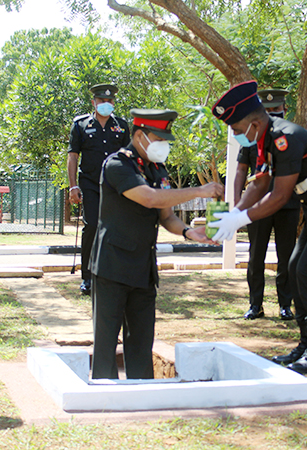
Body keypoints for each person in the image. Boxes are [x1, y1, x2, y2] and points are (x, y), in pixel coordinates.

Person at [209, 81, 307, 374]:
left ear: (254, 124)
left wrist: (240, 220)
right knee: (295, 268)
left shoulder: (285, 137)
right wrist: (233, 214)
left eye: (237, 130)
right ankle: (306, 343)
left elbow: (280, 196)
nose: (235, 135)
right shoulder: (264, 138)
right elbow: (261, 183)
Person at [91, 109, 224, 379]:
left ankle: (142, 391)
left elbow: (166, 215)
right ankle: (105, 397)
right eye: (158, 138)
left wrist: (188, 232)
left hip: (143, 267)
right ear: (139, 136)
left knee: (141, 341)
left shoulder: (157, 169)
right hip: (112, 266)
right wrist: (199, 190)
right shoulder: (117, 164)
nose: (163, 145)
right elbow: (150, 198)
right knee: (105, 343)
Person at [233, 88, 300, 321]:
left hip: (287, 203)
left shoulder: (291, 135)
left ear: (285, 109)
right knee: (256, 255)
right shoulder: (252, 136)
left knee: (287, 256)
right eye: (269, 111)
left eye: (277, 110)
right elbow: (241, 169)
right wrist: (236, 204)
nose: (273, 114)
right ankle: (255, 304)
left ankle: (285, 304)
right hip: (258, 204)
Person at [68, 84, 130, 296]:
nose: (106, 104)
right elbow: (73, 156)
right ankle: (87, 276)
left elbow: (127, 156)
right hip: (90, 184)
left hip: (114, 186)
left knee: (114, 229)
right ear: (93, 102)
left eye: (110, 101)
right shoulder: (80, 125)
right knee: (93, 226)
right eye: (102, 101)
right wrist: (73, 186)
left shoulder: (121, 126)